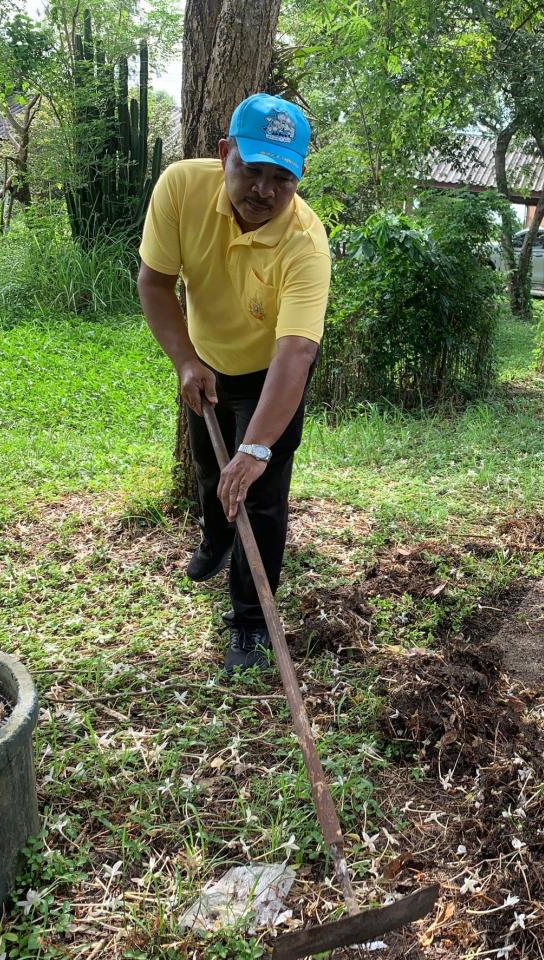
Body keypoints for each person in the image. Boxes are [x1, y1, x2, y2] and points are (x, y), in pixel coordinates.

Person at [137, 93, 331, 673]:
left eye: (282, 178)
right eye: (251, 169)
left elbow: (296, 351)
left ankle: (249, 624)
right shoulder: (180, 188)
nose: (264, 191)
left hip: (273, 373)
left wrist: (256, 449)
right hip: (205, 360)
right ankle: (215, 541)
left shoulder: (305, 243)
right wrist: (185, 361)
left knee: (260, 495)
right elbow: (154, 283)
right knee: (206, 463)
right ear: (225, 154)